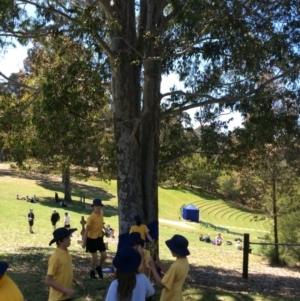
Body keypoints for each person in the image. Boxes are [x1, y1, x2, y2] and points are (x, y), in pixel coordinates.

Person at [147, 234, 190, 301]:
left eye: (172, 249)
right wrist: (159, 263)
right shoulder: (184, 261)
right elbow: (171, 273)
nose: (170, 250)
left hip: (170, 298)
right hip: (177, 297)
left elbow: (161, 285)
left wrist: (153, 267)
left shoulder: (176, 266)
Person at [46, 227, 84, 301]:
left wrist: (75, 281)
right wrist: (65, 290)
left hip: (66, 296)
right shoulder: (55, 257)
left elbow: (65, 272)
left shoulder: (67, 252)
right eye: (67, 238)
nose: (70, 239)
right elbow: (48, 281)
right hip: (57, 298)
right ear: (60, 241)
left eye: (69, 237)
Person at [82, 198, 107, 280]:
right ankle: (92, 272)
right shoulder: (91, 218)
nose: (98, 207)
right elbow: (86, 231)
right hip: (91, 239)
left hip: (99, 237)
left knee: (104, 255)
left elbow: (101, 223)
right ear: (93, 207)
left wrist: (105, 230)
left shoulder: (101, 213)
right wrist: (84, 242)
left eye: (99, 205)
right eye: (96, 206)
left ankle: (99, 267)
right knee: (95, 256)